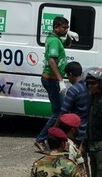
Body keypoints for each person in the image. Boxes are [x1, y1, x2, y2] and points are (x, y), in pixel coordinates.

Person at [36, 16, 72, 153]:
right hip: (52, 80)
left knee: (60, 111)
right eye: (64, 28)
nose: (66, 30)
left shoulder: (56, 39)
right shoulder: (53, 41)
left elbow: (67, 44)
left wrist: (69, 36)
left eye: (67, 28)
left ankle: (53, 140)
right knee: (60, 112)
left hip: (53, 79)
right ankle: (41, 139)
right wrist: (60, 80)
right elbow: (52, 61)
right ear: (56, 27)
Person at [60, 62, 90, 144]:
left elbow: (64, 112)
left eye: (67, 76)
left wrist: (56, 128)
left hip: (76, 131)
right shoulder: (88, 86)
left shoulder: (73, 90)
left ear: (70, 74)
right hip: (88, 131)